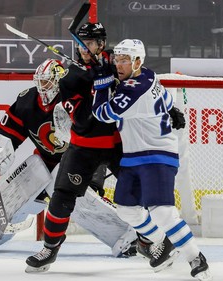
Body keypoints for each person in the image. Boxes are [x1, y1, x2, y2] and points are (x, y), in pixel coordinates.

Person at [0, 58, 136, 257]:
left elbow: (94, 136)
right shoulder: (27, 101)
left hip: (81, 161)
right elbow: (7, 133)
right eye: (40, 81)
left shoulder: (75, 97)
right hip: (44, 163)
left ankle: (126, 235)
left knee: (79, 199)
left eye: (46, 82)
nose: (42, 87)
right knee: (24, 181)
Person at [25, 22, 144, 273]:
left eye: (89, 43)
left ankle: (152, 241)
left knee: (141, 192)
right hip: (84, 146)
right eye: (81, 44)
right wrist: (98, 84)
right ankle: (50, 247)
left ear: (101, 44)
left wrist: (170, 108)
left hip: (118, 144)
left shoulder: (117, 63)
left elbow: (143, 83)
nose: (84, 49)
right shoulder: (71, 77)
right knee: (61, 198)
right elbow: (84, 120)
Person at [92, 39, 212, 280]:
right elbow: (166, 98)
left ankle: (195, 257)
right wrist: (172, 109)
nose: (119, 64)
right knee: (126, 210)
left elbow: (102, 114)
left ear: (138, 61)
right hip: (133, 156)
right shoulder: (148, 74)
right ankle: (162, 241)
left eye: (125, 60)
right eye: (117, 59)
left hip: (157, 155)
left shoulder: (134, 88)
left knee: (162, 212)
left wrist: (102, 84)